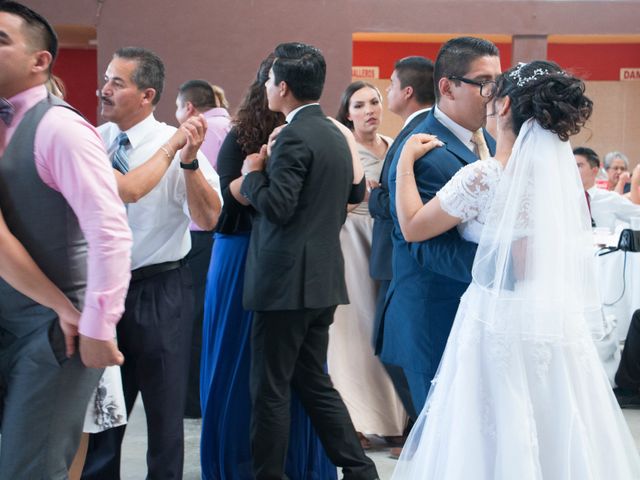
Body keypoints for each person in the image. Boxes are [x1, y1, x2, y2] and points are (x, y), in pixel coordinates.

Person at [391, 60, 640, 479]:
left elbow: (414, 227)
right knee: (557, 417)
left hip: (494, 318)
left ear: (504, 106)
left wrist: (403, 163)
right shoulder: (558, 182)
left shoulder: (484, 176)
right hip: (550, 316)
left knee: (490, 427)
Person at [231, 42, 379, 480]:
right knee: (313, 382)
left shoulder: (295, 134)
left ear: (284, 87)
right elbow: (355, 194)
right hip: (322, 279)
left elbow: (277, 206)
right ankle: (359, 470)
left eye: (270, 81)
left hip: (284, 284)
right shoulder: (336, 132)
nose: (265, 87)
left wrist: (254, 172)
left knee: (270, 391)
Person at [0, 2, 132, 477]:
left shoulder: (59, 127)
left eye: (1, 40)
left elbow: (109, 230)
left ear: (40, 61)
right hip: (12, 313)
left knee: (31, 467)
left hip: (58, 332)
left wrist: (98, 324)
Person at [81, 47, 222, 479]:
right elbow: (124, 191)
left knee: (164, 420)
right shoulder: (94, 140)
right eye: (106, 79)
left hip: (160, 290)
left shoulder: (176, 142)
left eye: (116, 82)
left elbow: (209, 217)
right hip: (103, 290)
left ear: (147, 95)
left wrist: (191, 163)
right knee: (102, 417)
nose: (104, 89)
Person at [200, 54, 336, 480]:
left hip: (278, 262)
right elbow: (226, 202)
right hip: (243, 256)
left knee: (285, 378)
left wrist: (253, 180)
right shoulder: (240, 136)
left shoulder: (306, 133)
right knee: (256, 376)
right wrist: (250, 179)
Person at [381, 36, 500, 414]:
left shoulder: (492, 143)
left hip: (478, 313)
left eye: (498, 83)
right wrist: (498, 266)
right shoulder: (423, 150)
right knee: (441, 440)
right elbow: (421, 242)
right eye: (484, 83)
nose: (493, 94)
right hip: (435, 315)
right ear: (446, 86)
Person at [330, 81, 407, 447]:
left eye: (375, 102)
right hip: (351, 238)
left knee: (385, 324)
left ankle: (395, 417)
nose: (370, 110)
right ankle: (356, 420)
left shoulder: (395, 145)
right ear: (348, 112)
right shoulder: (342, 148)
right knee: (355, 329)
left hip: (387, 240)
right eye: (359, 105)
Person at [368, 55, 435, 433]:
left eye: (391, 85)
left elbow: (397, 202)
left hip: (401, 260)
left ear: (407, 91)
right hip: (396, 258)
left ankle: (427, 431)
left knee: (397, 353)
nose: (387, 92)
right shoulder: (417, 128)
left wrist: (374, 197)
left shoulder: (416, 134)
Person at [175, 79, 231, 418]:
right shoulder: (234, 127)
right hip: (226, 238)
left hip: (199, 236)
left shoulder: (199, 132)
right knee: (212, 315)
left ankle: (193, 400)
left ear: (190, 107)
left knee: (193, 318)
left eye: (178, 108)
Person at [575, 146, 640, 230]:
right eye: (615, 168)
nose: (619, 172)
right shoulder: (563, 199)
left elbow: (637, 214)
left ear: (594, 170)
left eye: (579, 166)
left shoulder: (610, 198)